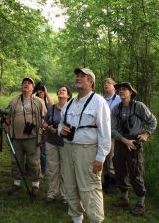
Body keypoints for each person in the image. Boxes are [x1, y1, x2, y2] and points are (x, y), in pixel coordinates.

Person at [58, 68, 111, 223]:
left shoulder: (99, 102)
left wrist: (100, 158)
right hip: (68, 150)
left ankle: (96, 220)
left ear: (91, 81)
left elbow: (105, 133)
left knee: (90, 189)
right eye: (77, 76)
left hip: (88, 151)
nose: (78, 78)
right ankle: (77, 219)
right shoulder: (70, 104)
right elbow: (61, 125)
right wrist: (62, 130)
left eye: (83, 76)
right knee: (70, 185)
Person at [111, 82, 157, 216]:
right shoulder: (116, 109)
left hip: (135, 143)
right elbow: (112, 129)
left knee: (136, 171)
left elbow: (152, 121)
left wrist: (146, 134)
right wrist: (125, 141)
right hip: (120, 142)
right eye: (119, 89)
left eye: (124, 89)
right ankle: (124, 198)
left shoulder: (139, 106)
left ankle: (140, 203)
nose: (121, 91)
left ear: (131, 92)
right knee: (119, 170)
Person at [6, 77, 46, 197]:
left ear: (33, 88)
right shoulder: (14, 101)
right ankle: (16, 184)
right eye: (24, 83)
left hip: (32, 137)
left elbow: (44, 118)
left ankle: (35, 185)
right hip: (16, 138)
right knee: (16, 161)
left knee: (33, 162)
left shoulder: (39, 101)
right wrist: (8, 132)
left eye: (29, 83)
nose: (26, 85)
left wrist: (43, 133)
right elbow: (8, 118)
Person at [43, 85, 72, 203]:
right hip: (51, 142)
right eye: (60, 90)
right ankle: (52, 192)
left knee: (66, 169)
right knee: (53, 168)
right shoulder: (52, 108)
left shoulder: (71, 109)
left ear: (68, 95)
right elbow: (44, 123)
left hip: (65, 143)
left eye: (64, 90)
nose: (61, 91)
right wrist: (49, 127)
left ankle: (66, 195)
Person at [102, 78, 121, 193]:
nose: (106, 85)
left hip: (113, 133)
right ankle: (106, 180)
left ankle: (113, 182)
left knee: (112, 157)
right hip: (102, 133)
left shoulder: (119, 100)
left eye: (108, 83)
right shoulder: (101, 99)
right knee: (103, 157)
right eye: (104, 83)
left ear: (114, 87)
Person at [35, 85, 54, 175]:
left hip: (44, 131)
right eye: (40, 90)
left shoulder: (46, 102)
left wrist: (46, 92)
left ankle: (42, 170)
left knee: (43, 152)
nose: (41, 92)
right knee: (34, 151)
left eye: (43, 91)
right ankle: (33, 169)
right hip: (35, 129)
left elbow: (53, 105)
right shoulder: (34, 101)